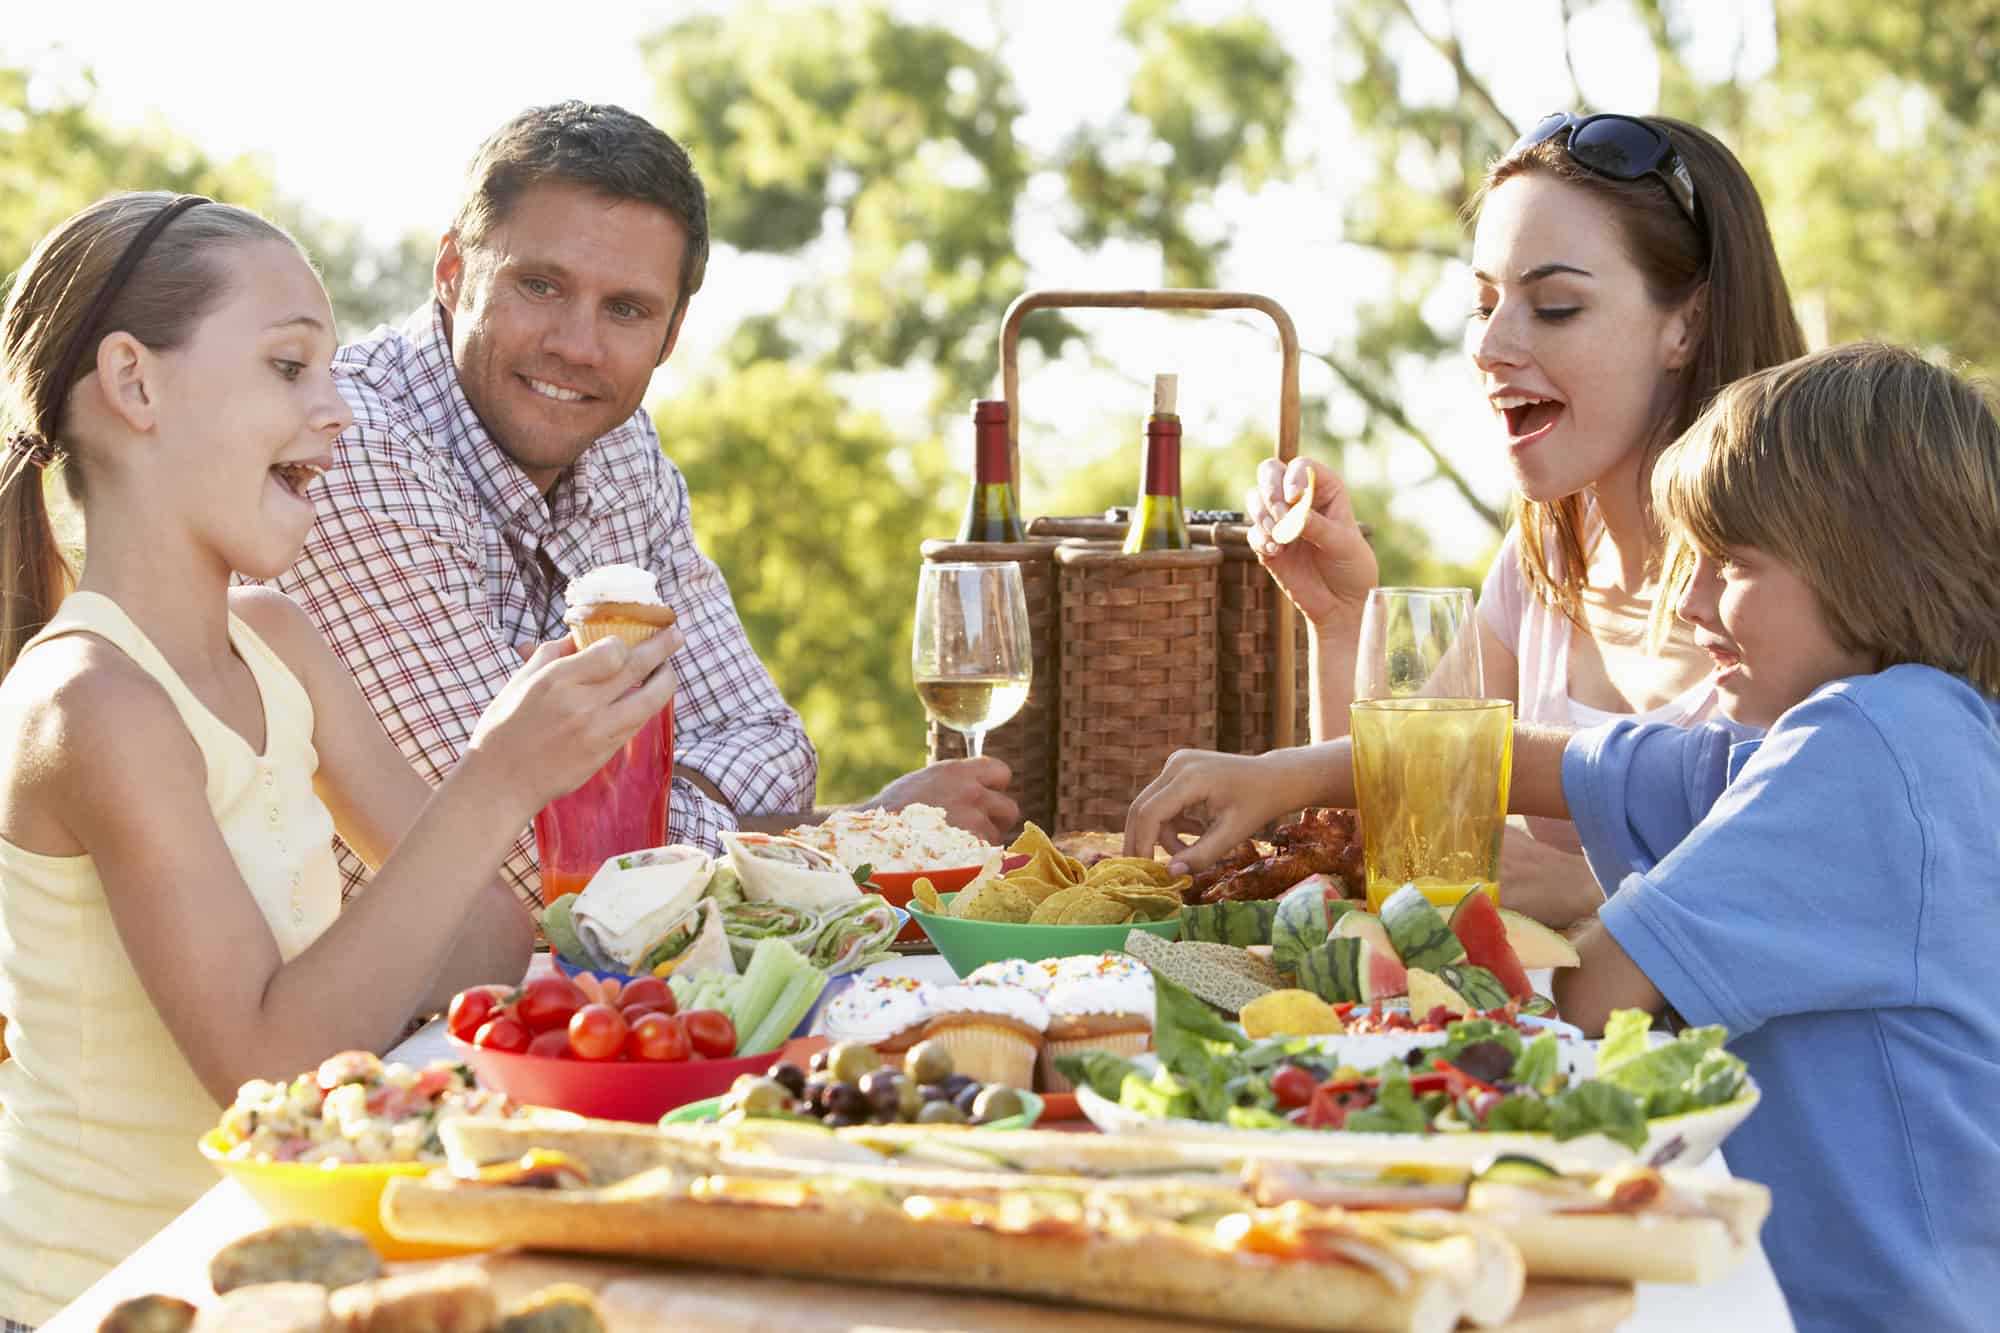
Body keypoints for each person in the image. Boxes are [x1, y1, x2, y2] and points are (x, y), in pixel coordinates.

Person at [1130, 342, 2000, 1333]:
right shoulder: (1893, 734)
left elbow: (1590, 992)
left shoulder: (1865, 748)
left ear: (1872, 568)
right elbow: (1552, 763)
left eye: (1733, 566)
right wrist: (1296, 772)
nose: (1693, 605)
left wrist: (1379, 995)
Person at [0, 193, 680, 1326]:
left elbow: (482, 946)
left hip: (275, 1278)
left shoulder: (271, 641)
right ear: (134, 384)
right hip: (106, 1300)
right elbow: (266, 1070)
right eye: (287, 368)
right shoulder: (93, 702)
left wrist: (560, 766)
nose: (337, 414)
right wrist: (500, 775)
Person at [262, 101, 1014, 909]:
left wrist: (619, 801)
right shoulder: (351, 446)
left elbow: (770, 744)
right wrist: (824, 838)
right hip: (371, 1019)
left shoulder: (617, 444)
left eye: (626, 309)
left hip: (569, 994)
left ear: (672, 331)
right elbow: (516, 858)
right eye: (540, 285)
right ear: (453, 272)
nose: (578, 347)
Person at [1242, 113, 1806, 927]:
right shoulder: (1548, 550)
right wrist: (1336, 621)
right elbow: (1400, 826)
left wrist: (1595, 891)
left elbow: (1837, 880)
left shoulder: (1795, 584)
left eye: (1556, 306)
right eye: (1483, 303)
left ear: (1687, 323)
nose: (1490, 345)